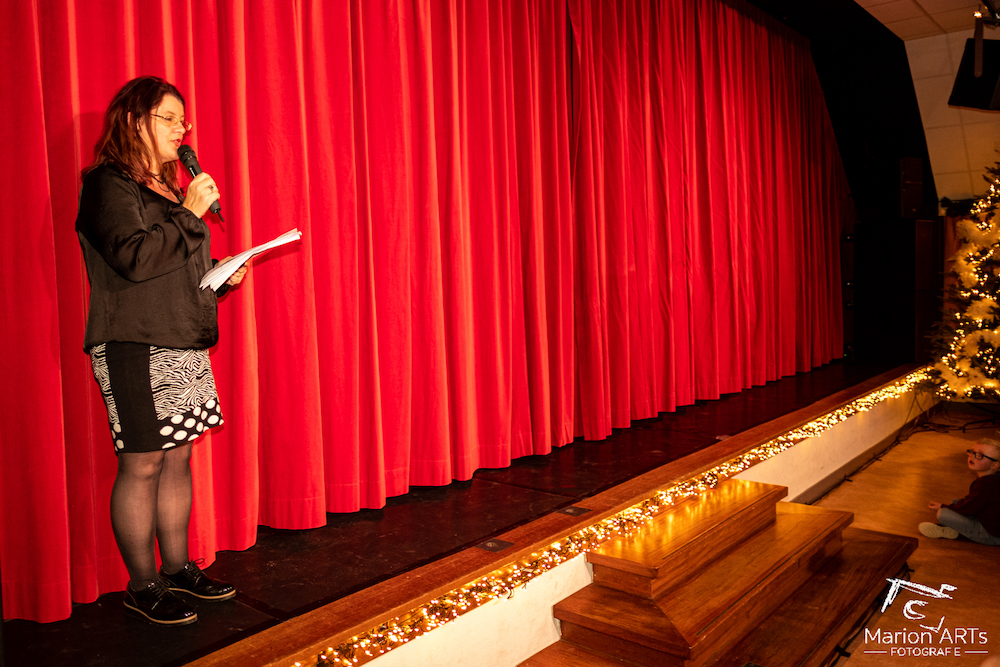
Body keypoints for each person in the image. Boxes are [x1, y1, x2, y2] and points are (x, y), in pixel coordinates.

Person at [76, 76, 248, 625]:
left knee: (178, 456)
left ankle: (177, 568)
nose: (182, 129)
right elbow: (134, 259)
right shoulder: (108, 183)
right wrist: (189, 214)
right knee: (143, 463)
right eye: (169, 118)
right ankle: (142, 585)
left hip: (181, 337)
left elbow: (175, 269)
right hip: (135, 343)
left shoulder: (171, 191)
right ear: (135, 121)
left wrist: (220, 275)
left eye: (183, 120)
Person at [919, 438, 1000, 546]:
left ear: (994, 465)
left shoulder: (985, 485)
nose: (972, 456)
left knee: (943, 514)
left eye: (980, 455)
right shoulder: (994, 479)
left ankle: (957, 532)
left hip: (993, 536)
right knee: (957, 501)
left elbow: (968, 508)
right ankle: (956, 529)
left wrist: (943, 506)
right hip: (990, 522)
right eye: (972, 452)